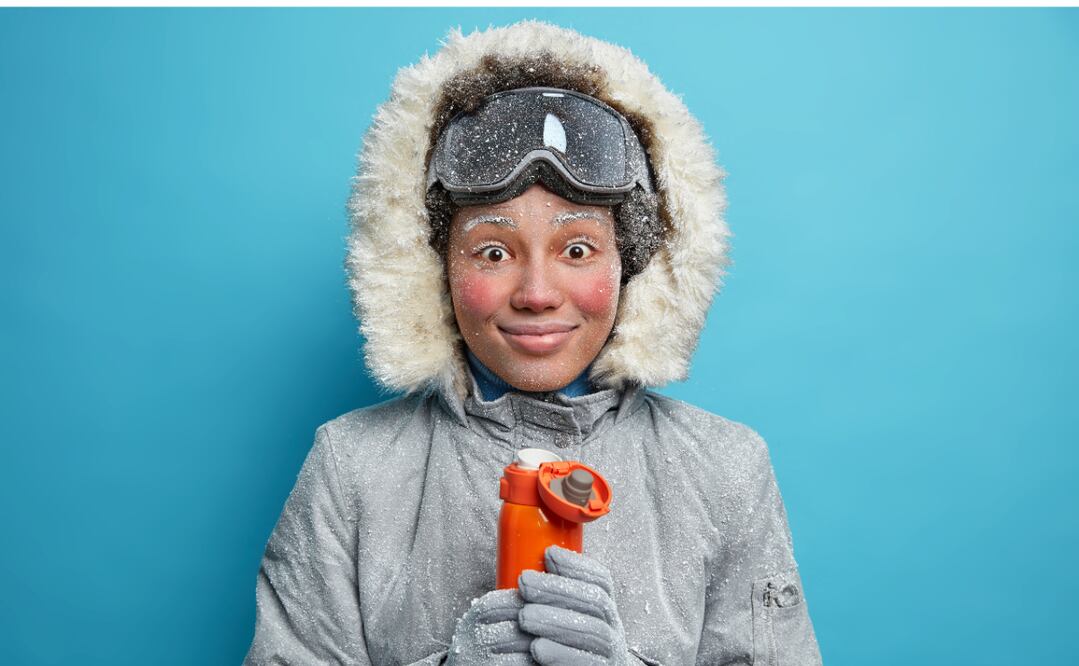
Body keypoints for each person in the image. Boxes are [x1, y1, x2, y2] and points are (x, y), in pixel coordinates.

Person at [245, 20, 822, 666]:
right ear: (434, 268)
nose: (537, 292)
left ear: (630, 263)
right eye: (492, 251)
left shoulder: (724, 471)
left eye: (577, 248)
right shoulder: (352, 471)